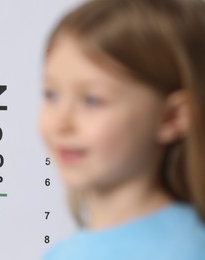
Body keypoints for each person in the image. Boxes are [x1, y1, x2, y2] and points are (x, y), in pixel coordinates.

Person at [39, 0, 205, 259]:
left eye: (92, 100)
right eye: (51, 95)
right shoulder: (60, 254)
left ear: (172, 117)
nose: (61, 124)